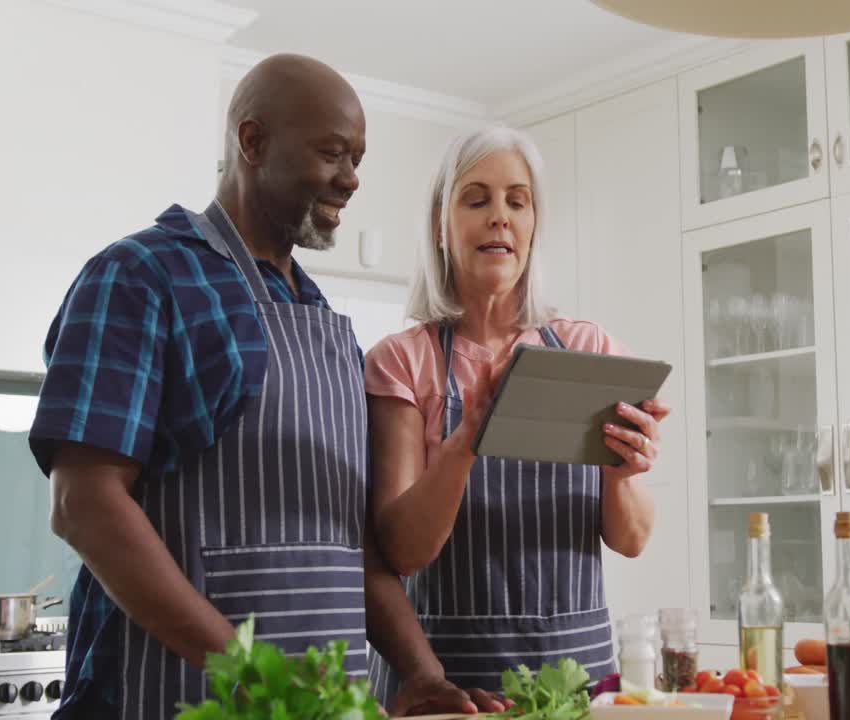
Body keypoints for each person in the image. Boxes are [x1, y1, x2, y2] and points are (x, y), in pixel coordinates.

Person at [29, 54, 501, 719]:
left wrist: (421, 674)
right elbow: (84, 504)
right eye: (332, 153)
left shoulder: (327, 326)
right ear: (252, 143)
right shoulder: (140, 277)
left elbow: (351, 544)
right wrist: (255, 679)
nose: (352, 178)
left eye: (357, 157)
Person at [364, 126, 672, 700]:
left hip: (577, 681)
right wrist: (465, 441)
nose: (499, 216)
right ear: (440, 223)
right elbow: (402, 551)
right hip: (449, 685)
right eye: (475, 199)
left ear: (534, 226)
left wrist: (621, 472)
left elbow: (630, 540)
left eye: (517, 201)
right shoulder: (403, 364)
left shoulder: (587, 350)